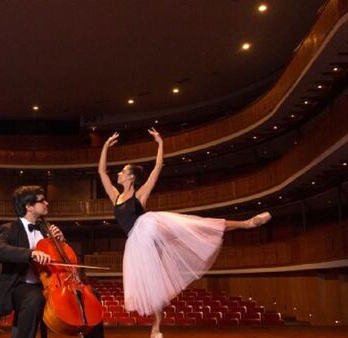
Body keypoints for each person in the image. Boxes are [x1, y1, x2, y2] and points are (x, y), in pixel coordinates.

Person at [98, 129, 271, 338]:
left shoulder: (140, 194)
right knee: (154, 287)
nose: (119, 173)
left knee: (199, 226)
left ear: (131, 177)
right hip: (137, 243)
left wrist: (160, 143)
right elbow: (102, 173)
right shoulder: (115, 196)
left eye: (123, 171)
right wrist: (106, 146)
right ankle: (155, 329)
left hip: (150, 227)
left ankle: (246, 224)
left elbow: (157, 168)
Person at [0, 186, 105, 338]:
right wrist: (30, 253)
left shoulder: (47, 229)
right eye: (42, 201)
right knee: (34, 298)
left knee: (93, 295)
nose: (47, 203)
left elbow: (66, 260)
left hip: (52, 284)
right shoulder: (10, 228)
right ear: (29, 206)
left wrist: (62, 242)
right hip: (22, 285)